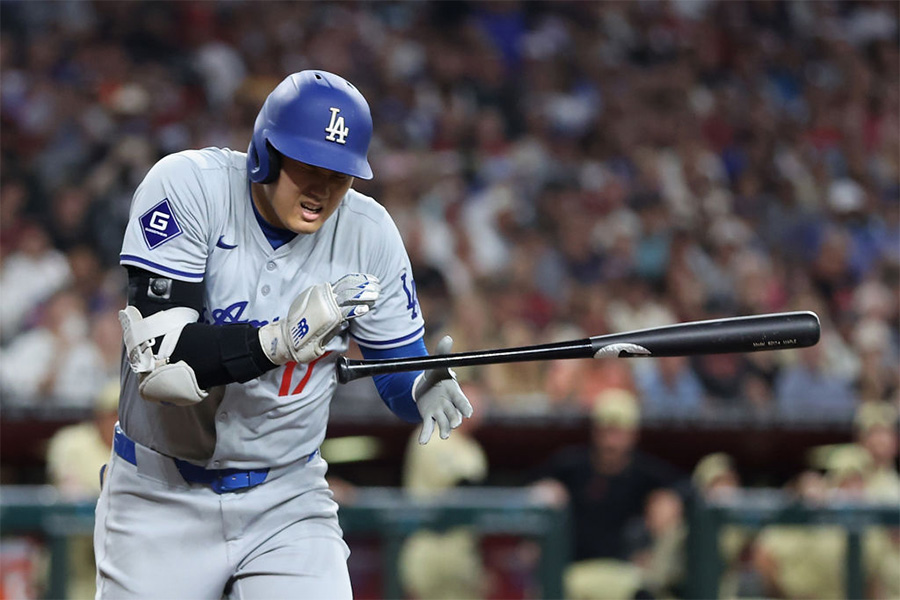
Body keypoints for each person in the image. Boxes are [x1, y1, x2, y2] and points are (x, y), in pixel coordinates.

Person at [95, 70, 474, 599]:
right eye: (308, 165)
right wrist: (278, 340)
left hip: (287, 500)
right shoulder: (188, 185)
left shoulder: (370, 233)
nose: (322, 186)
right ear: (263, 153)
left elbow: (397, 371)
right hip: (160, 494)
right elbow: (160, 364)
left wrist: (418, 388)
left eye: (339, 173)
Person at [530, 389, 687, 600]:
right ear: (595, 431)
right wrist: (545, 491)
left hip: (628, 574)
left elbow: (689, 490)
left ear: (633, 435)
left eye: (619, 432)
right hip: (572, 572)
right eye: (606, 431)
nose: (610, 442)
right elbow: (530, 485)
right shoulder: (570, 466)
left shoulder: (647, 474)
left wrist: (669, 501)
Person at [45, 380, 119, 600]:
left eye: (122, 412)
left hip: (118, 557)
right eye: (112, 413)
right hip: (75, 564)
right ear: (100, 416)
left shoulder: (139, 448)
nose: (118, 421)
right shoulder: (72, 441)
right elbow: (70, 489)